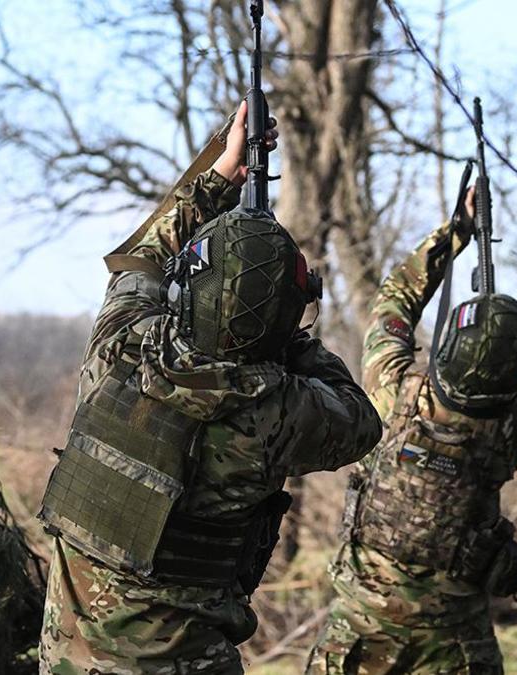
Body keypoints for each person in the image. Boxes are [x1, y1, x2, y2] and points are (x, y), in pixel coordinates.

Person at [37, 101, 383, 675]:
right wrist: (287, 338)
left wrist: (218, 176)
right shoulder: (279, 413)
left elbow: (142, 261)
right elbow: (360, 420)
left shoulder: (119, 348)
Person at [306, 190, 517, 674]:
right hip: (456, 645)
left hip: (361, 634)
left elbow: (393, 301)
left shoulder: (392, 392)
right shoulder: (512, 432)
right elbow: (501, 398)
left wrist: (456, 231)